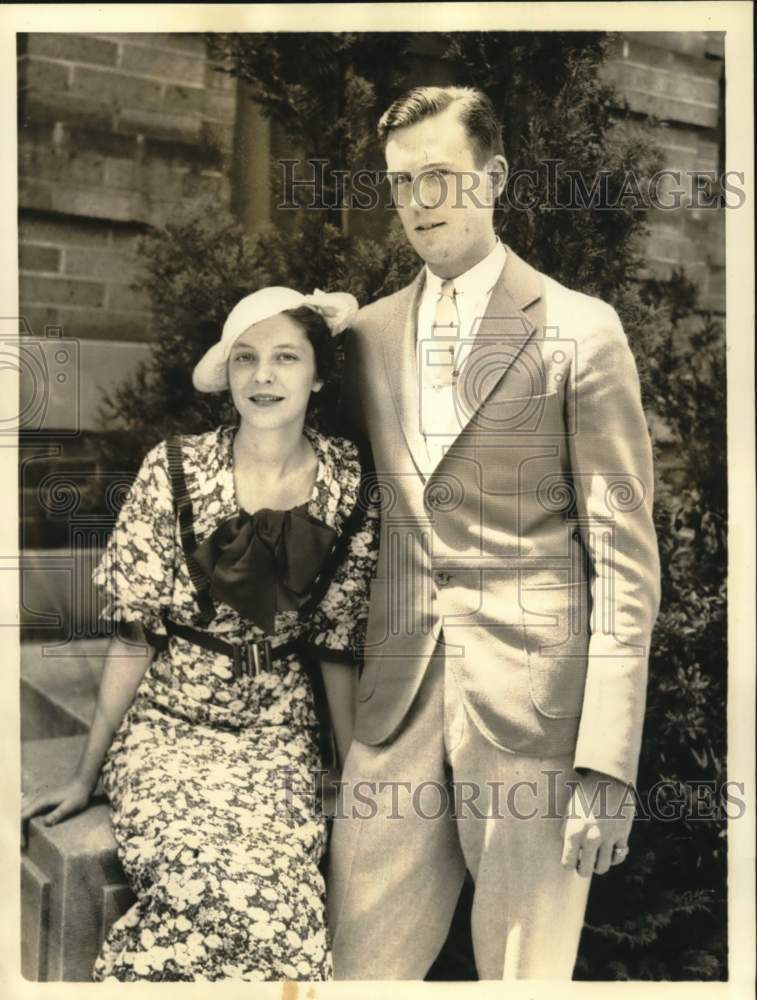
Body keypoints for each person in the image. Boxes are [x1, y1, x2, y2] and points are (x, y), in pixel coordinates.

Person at [328, 86, 662, 980]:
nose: (419, 204)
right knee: (355, 969)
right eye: (401, 184)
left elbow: (626, 563)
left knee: (523, 978)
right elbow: (253, 391)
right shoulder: (366, 333)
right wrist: (295, 319)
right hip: (394, 704)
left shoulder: (580, 330)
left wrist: (606, 760)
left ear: (495, 177)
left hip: (534, 715)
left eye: (439, 176)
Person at [21, 286, 379, 982]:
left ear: (319, 373)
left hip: (279, 736)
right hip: (170, 726)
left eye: (284, 357)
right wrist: (85, 773)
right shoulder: (176, 469)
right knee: (198, 876)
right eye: (244, 359)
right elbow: (133, 637)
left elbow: (338, 641)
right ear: (228, 375)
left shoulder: (347, 481)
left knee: (282, 900)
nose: (263, 376)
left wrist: (346, 774)